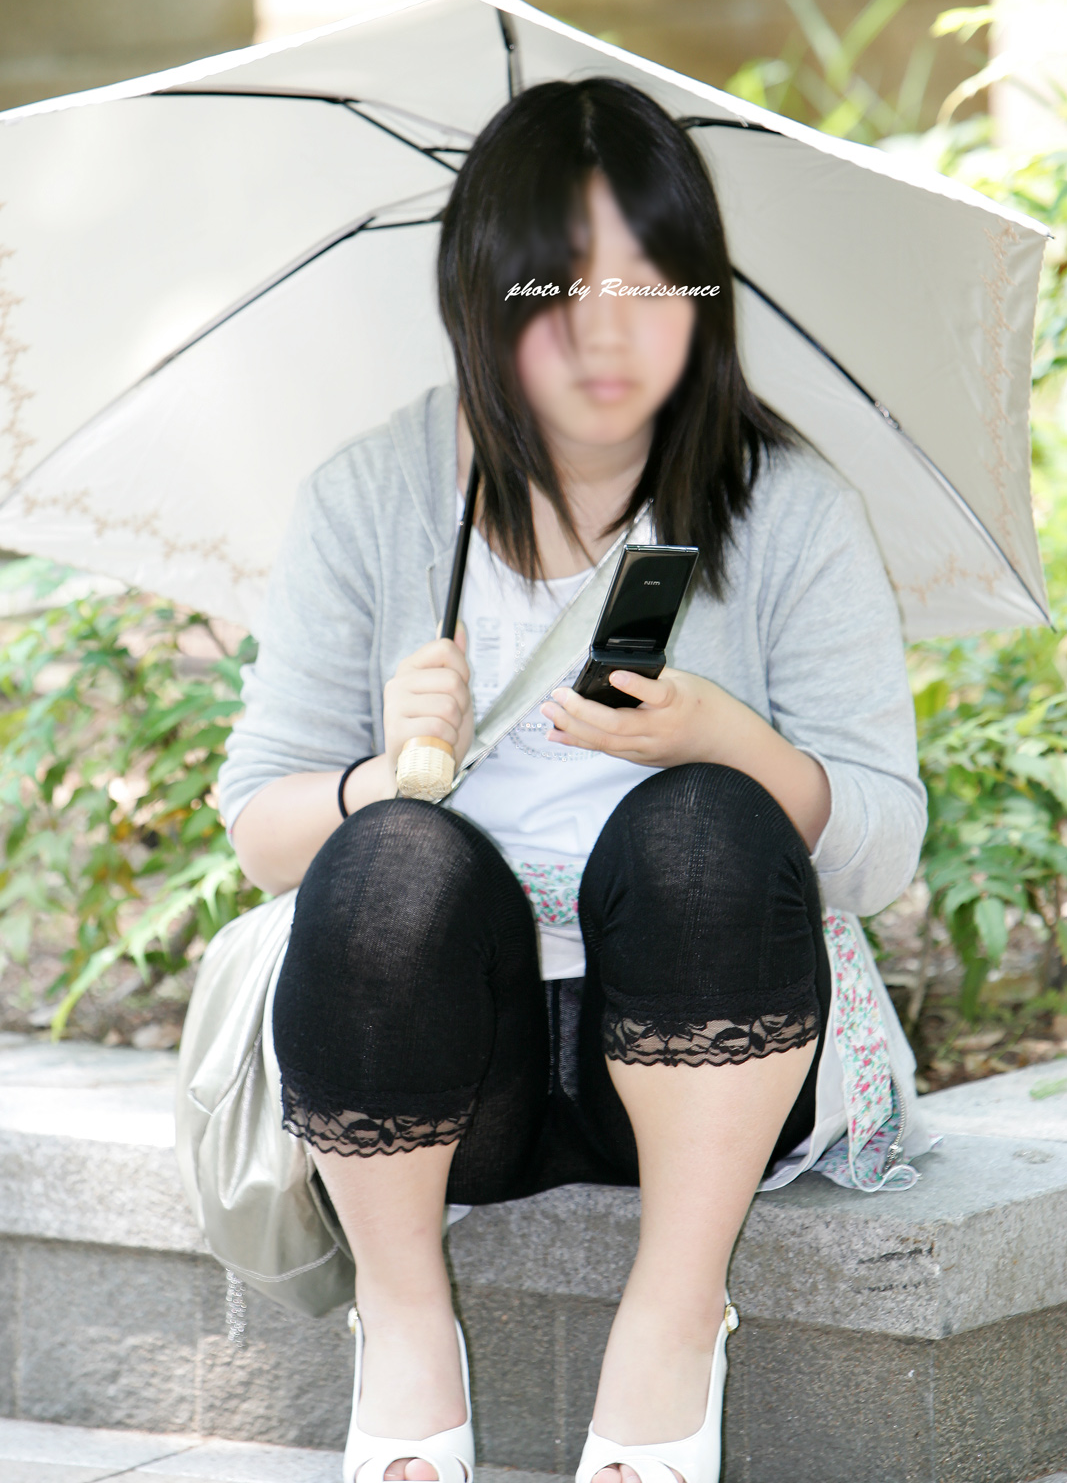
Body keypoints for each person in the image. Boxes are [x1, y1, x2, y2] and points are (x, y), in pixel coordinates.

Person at [218, 76, 927, 1483]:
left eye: (652, 283)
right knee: (389, 855)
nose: (608, 331)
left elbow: (884, 848)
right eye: (556, 287)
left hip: (708, 1064)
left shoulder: (788, 508)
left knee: (706, 822)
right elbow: (261, 829)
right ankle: (404, 1330)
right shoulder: (372, 497)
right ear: (479, 296)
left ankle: (673, 1324)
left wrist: (732, 742)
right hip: (448, 1076)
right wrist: (378, 778)